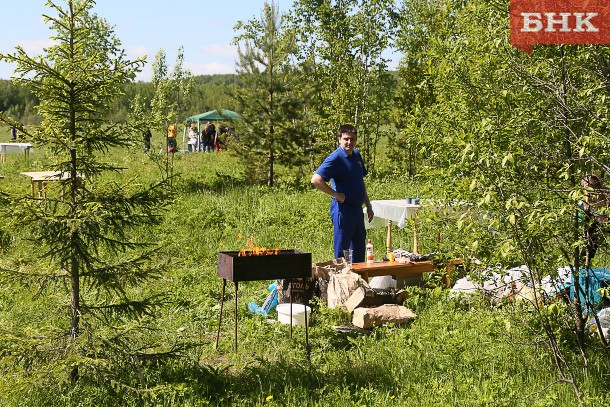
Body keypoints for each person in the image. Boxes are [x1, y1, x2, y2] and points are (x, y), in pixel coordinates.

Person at [311, 124, 374, 262]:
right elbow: (316, 179)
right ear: (339, 139)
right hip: (343, 210)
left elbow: (359, 183)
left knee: (359, 249)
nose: (349, 142)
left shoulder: (356, 155)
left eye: (352, 139)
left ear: (356, 140)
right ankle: (340, 281)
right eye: (346, 139)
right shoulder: (335, 158)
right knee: (341, 252)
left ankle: (358, 282)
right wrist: (336, 194)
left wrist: (368, 205)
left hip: (357, 210)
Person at [579, 174, 608, 264]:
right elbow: (582, 219)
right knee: (590, 240)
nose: (591, 190)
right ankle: (583, 265)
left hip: (605, 222)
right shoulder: (581, 201)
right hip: (594, 226)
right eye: (586, 186)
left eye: (593, 186)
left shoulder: (604, 195)